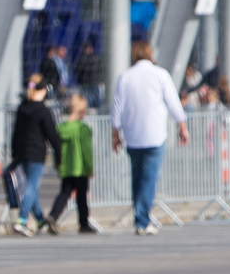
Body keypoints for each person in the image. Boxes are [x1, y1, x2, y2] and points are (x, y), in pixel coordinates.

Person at [111, 40, 188, 235]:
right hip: (155, 135)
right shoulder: (160, 74)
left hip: (132, 135)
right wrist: (182, 126)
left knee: (137, 178)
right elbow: (173, 103)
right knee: (149, 179)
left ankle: (140, 216)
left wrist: (115, 134)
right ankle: (142, 220)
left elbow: (117, 106)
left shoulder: (125, 77)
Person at [9, 80, 62, 237]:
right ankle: (22, 220)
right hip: (37, 152)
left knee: (32, 187)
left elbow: (16, 132)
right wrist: (59, 154)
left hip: (23, 152)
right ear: (43, 91)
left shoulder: (22, 108)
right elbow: (52, 134)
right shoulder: (43, 110)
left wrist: (14, 152)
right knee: (32, 186)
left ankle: (39, 219)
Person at [49, 93, 96, 235]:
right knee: (81, 197)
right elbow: (86, 151)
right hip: (80, 168)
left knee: (64, 193)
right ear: (81, 111)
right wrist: (89, 168)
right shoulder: (82, 129)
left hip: (66, 167)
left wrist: (58, 164)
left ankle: (53, 216)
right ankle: (83, 224)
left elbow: (56, 149)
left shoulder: (60, 128)